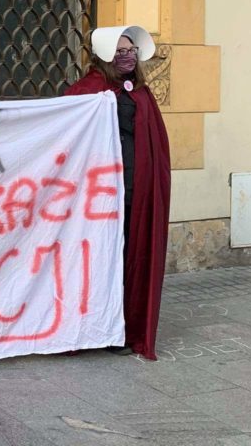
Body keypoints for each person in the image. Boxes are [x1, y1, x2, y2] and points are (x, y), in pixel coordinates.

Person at [65, 25, 171, 360]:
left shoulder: (139, 90)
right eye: (121, 51)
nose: (128, 57)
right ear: (105, 54)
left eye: (131, 51)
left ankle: (120, 328)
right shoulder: (90, 89)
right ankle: (86, 328)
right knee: (95, 258)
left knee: (128, 258)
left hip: (133, 189)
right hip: (98, 194)